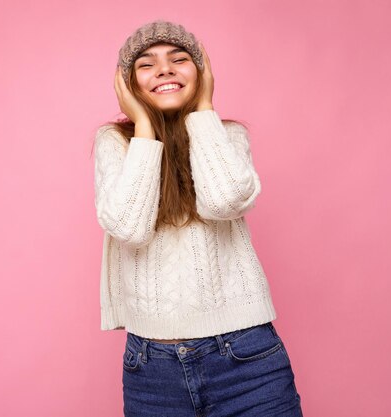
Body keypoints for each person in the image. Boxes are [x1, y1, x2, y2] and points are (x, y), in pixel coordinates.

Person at [92, 20, 304, 416]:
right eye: (146, 64)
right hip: (152, 369)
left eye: (179, 59)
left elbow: (223, 202)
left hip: (247, 359)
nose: (165, 69)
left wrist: (204, 107)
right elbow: (128, 226)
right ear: (127, 84)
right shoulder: (116, 142)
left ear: (201, 72)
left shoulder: (226, 136)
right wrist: (142, 125)